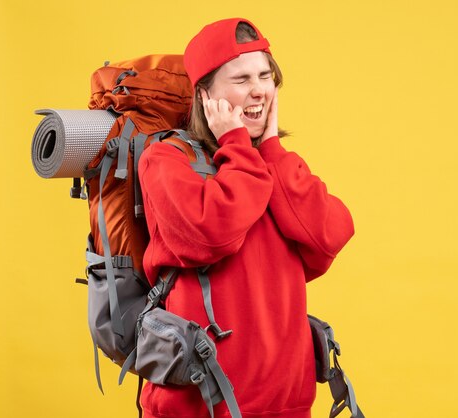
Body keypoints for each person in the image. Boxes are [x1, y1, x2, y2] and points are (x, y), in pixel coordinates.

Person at [137, 17, 354, 418]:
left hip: (286, 407)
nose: (258, 90)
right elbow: (213, 235)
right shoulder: (166, 161)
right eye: (240, 80)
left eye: (265, 75)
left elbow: (329, 237)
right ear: (205, 95)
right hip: (199, 409)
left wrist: (269, 149)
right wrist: (238, 144)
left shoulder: (273, 166)